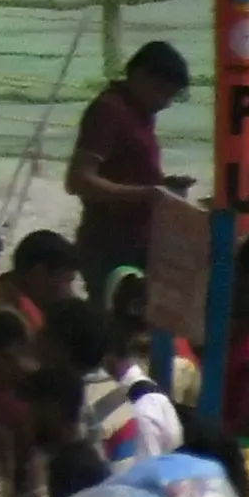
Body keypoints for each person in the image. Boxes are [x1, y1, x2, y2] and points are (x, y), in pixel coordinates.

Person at [71, 41, 200, 312]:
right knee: (115, 320)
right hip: (110, 242)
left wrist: (162, 186)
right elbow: (79, 180)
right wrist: (146, 194)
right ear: (140, 75)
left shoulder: (140, 114)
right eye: (161, 92)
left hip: (140, 239)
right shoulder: (108, 110)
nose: (164, 103)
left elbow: (125, 171)